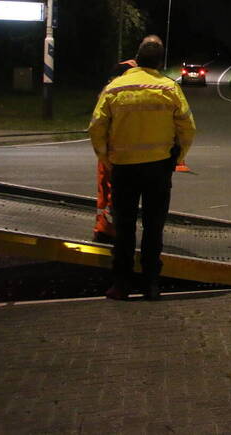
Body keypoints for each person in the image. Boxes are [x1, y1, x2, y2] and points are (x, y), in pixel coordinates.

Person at [88, 39, 196, 301]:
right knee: (153, 227)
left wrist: (106, 158)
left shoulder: (115, 87)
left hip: (123, 168)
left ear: (136, 58)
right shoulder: (169, 88)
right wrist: (177, 156)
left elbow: (97, 126)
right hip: (158, 168)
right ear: (159, 63)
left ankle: (121, 284)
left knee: (124, 228)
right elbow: (187, 128)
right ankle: (151, 284)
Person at [92, 35, 165, 244]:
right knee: (111, 192)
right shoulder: (124, 70)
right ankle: (106, 231)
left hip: (125, 148)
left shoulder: (152, 77)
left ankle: (113, 233)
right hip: (120, 146)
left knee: (117, 195)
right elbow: (103, 101)